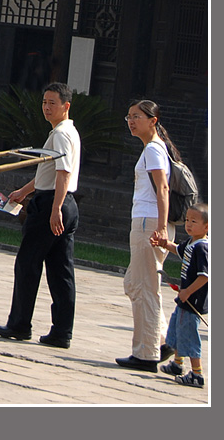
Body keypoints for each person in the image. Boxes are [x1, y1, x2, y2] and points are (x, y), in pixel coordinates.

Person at [0, 82, 81, 349]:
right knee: (60, 269)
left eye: (52, 103)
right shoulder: (66, 132)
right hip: (64, 202)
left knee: (28, 263)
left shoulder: (62, 134)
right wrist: (24, 191)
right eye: (44, 102)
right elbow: (48, 172)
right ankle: (61, 331)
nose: (46, 107)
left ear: (66, 106)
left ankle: (19, 324)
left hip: (54, 204)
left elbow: (63, 173)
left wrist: (54, 210)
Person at [115, 99, 179, 372]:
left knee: (145, 288)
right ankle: (164, 341)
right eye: (128, 116)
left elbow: (162, 189)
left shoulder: (153, 150)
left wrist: (162, 228)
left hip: (149, 223)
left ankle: (146, 354)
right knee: (134, 283)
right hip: (147, 222)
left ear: (153, 121)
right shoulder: (153, 149)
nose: (131, 121)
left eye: (137, 117)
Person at [151, 203, 208, 387]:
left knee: (188, 334)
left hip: (192, 300)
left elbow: (205, 276)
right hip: (184, 299)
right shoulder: (191, 243)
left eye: (194, 221)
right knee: (176, 329)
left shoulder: (202, 248)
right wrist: (164, 244)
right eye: (187, 220)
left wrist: (188, 291)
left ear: (206, 227)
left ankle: (197, 374)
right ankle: (177, 364)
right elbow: (179, 250)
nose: (189, 224)